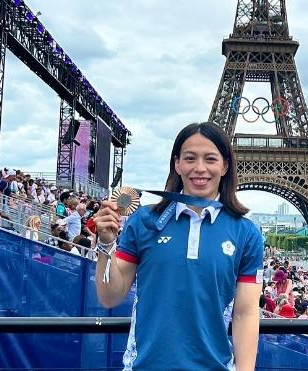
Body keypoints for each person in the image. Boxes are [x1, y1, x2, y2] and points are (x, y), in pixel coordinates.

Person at [92, 121, 263, 371]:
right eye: (190, 158)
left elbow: (245, 314)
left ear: (225, 166)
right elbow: (110, 296)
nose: (200, 168)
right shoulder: (143, 221)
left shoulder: (246, 233)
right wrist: (106, 244)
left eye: (211, 159)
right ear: (177, 164)